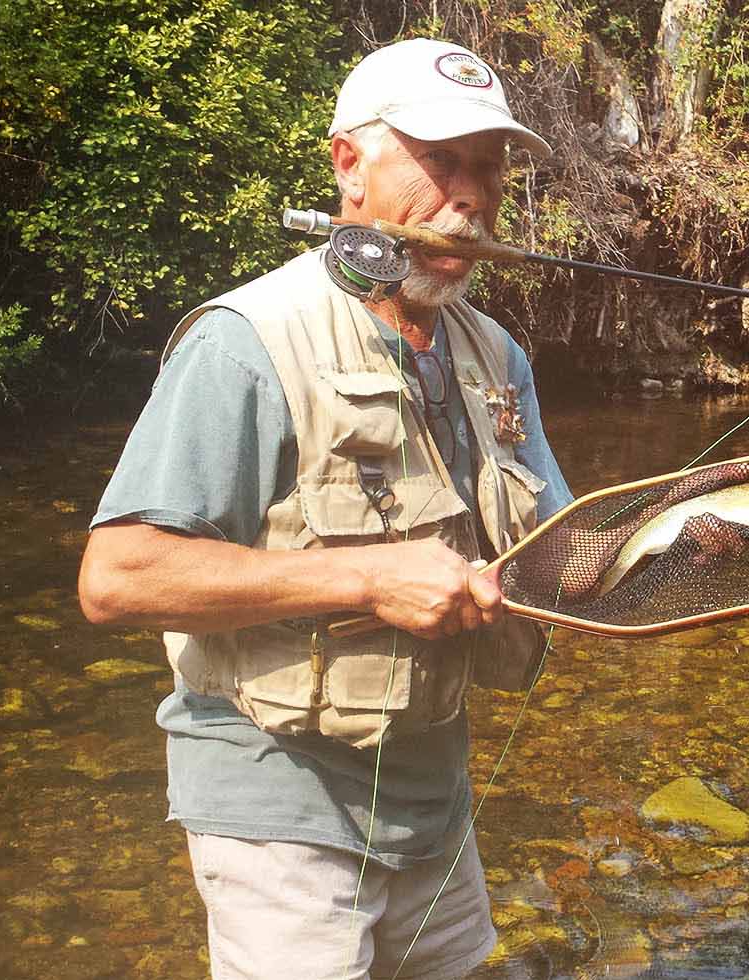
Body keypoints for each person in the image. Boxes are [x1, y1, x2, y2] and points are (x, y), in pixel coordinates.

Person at [77, 38, 572, 980]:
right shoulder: (244, 341)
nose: (469, 198)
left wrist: (699, 539)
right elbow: (117, 575)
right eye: (441, 164)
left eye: (488, 169)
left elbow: (560, 544)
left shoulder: (498, 356)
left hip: (433, 793)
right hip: (274, 797)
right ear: (349, 164)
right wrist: (366, 575)